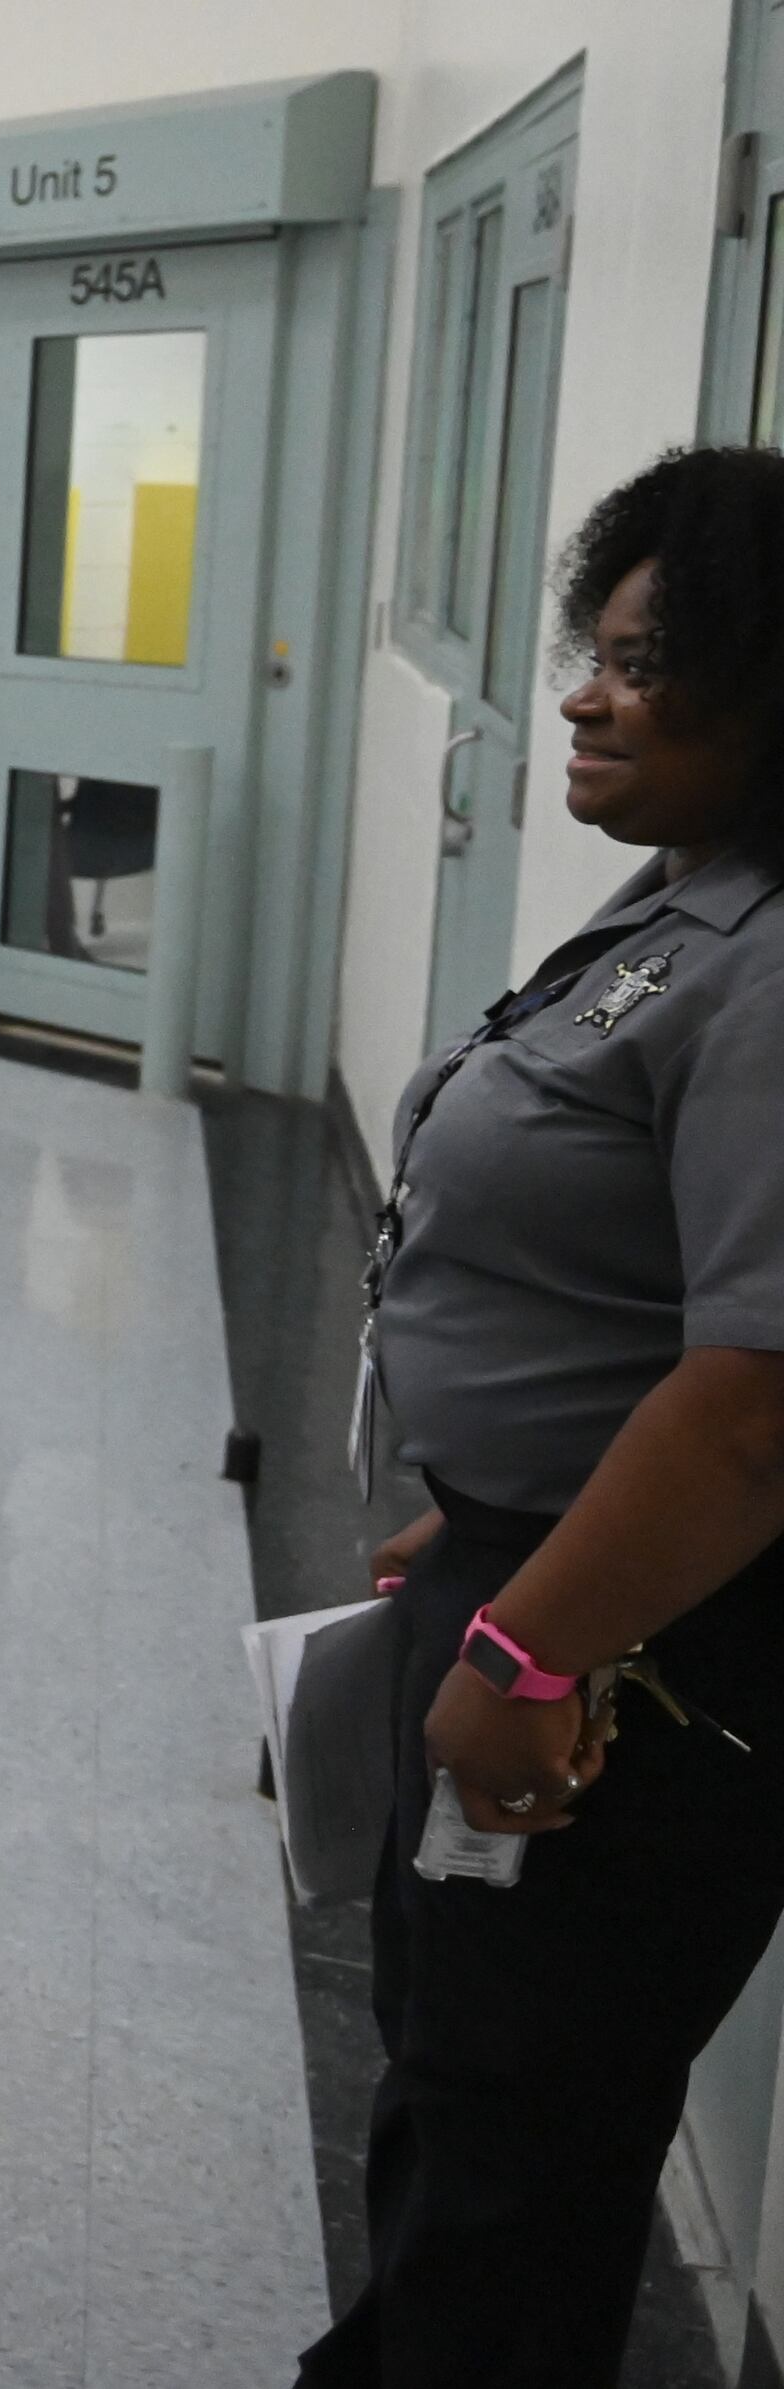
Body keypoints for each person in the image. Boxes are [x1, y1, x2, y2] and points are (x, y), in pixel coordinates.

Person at [295, 446, 784, 2389]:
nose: (586, 691)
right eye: (599, 646)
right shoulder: (683, 909)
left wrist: (533, 1630)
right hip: (545, 1570)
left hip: (632, 1667)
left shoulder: (773, 969)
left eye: (651, 661)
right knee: (458, 2080)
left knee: (524, 2141)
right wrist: (490, 1519)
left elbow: (755, 1403)